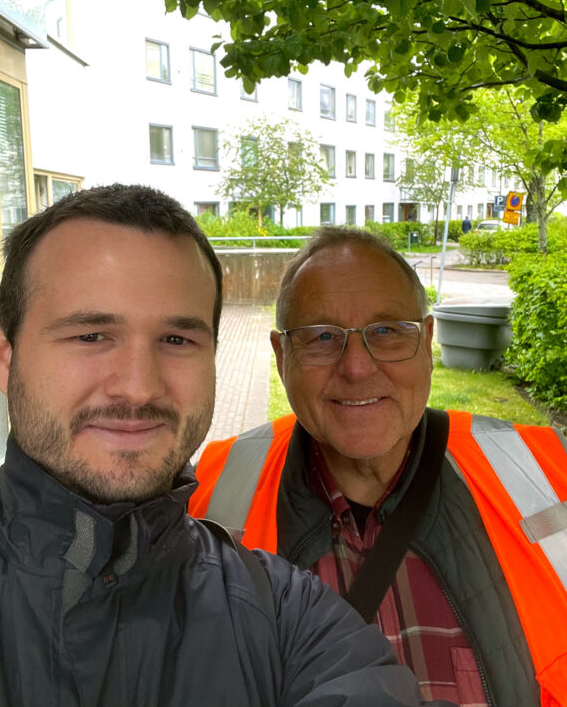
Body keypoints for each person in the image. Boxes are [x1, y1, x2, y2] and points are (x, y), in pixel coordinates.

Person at [0, 187, 452, 707]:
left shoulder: (285, 613)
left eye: (177, 340)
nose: (138, 386)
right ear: (3, 353)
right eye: (90, 335)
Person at [191, 226, 567, 707]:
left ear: (427, 341)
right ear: (282, 355)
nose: (357, 367)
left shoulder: (544, 470)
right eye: (322, 336)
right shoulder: (208, 494)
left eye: (387, 331)